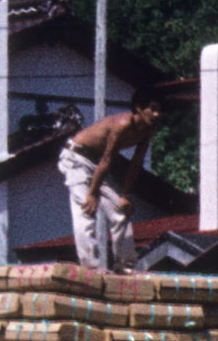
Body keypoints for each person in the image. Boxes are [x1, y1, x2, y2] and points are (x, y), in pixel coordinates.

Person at [59, 93, 163, 271]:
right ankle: (91, 267)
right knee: (87, 209)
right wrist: (92, 193)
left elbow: (136, 163)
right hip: (75, 158)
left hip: (95, 163)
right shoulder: (121, 125)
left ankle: (125, 266)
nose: (156, 115)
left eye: (159, 111)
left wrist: (124, 195)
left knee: (120, 211)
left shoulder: (149, 129)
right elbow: (107, 160)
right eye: (152, 109)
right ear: (138, 108)